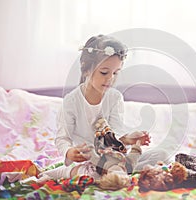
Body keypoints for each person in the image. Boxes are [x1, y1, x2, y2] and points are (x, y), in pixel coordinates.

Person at [39, 34, 168, 182]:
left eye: (115, 73)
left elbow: (115, 137)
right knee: (93, 172)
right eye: (104, 72)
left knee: (161, 155)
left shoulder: (115, 98)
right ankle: (68, 172)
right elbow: (63, 138)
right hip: (88, 159)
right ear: (86, 69)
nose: (110, 78)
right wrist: (69, 152)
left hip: (113, 157)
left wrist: (130, 139)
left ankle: (116, 172)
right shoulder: (71, 101)